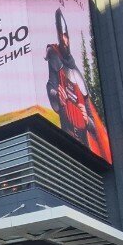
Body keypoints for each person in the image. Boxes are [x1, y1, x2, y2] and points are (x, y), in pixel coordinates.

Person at [45, 8, 112, 163]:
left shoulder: (77, 73)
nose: (64, 40)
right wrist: (57, 95)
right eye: (61, 35)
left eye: (66, 35)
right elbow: (50, 86)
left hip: (84, 145)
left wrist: (87, 120)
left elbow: (93, 125)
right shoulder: (55, 57)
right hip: (67, 135)